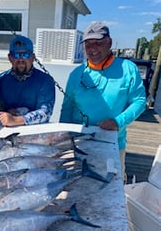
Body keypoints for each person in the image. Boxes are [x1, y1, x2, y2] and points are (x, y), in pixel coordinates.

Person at [59, 21, 146, 180]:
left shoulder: (128, 68)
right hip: (80, 143)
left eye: (98, 43)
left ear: (109, 43)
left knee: (110, 187)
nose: (93, 49)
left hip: (112, 144)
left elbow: (139, 101)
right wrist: (64, 140)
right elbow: (67, 109)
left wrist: (118, 121)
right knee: (78, 186)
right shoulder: (76, 74)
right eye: (88, 44)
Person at [0, 35, 55, 127]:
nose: (21, 59)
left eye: (25, 55)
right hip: (5, 130)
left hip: (35, 132)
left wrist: (17, 120)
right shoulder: (1, 80)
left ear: (32, 58)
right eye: (16, 55)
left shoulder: (45, 81)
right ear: (10, 58)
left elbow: (46, 112)